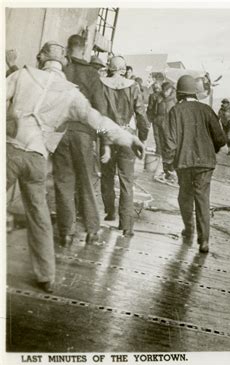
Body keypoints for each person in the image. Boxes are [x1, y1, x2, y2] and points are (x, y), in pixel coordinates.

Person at [6, 41, 144, 293]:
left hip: (11, 151)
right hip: (37, 158)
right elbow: (98, 121)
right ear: (64, 63)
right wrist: (128, 138)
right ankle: (46, 275)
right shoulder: (71, 93)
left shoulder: (23, 75)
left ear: (39, 57)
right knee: (39, 217)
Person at [162, 75, 226, 253]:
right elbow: (221, 138)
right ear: (195, 93)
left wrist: (168, 164)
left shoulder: (175, 111)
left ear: (179, 93)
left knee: (184, 196)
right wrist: (211, 150)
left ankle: (188, 229)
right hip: (205, 163)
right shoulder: (206, 109)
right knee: (203, 199)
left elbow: (169, 142)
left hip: (184, 162)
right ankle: (204, 241)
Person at [52, 34, 105, 247]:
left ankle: (66, 232)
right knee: (86, 181)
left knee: (64, 182)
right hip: (83, 134)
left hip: (61, 132)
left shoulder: (62, 71)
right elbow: (100, 109)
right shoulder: (92, 75)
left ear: (68, 48)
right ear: (85, 50)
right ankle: (92, 231)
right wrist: (102, 141)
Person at [98, 56, 149, 236]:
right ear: (123, 68)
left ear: (109, 68)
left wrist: (104, 143)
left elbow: (101, 116)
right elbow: (141, 116)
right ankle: (127, 225)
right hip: (128, 137)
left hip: (108, 136)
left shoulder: (101, 84)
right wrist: (141, 138)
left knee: (107, 176)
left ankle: (110, 211)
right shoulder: (133, 86)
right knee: (127, 181)